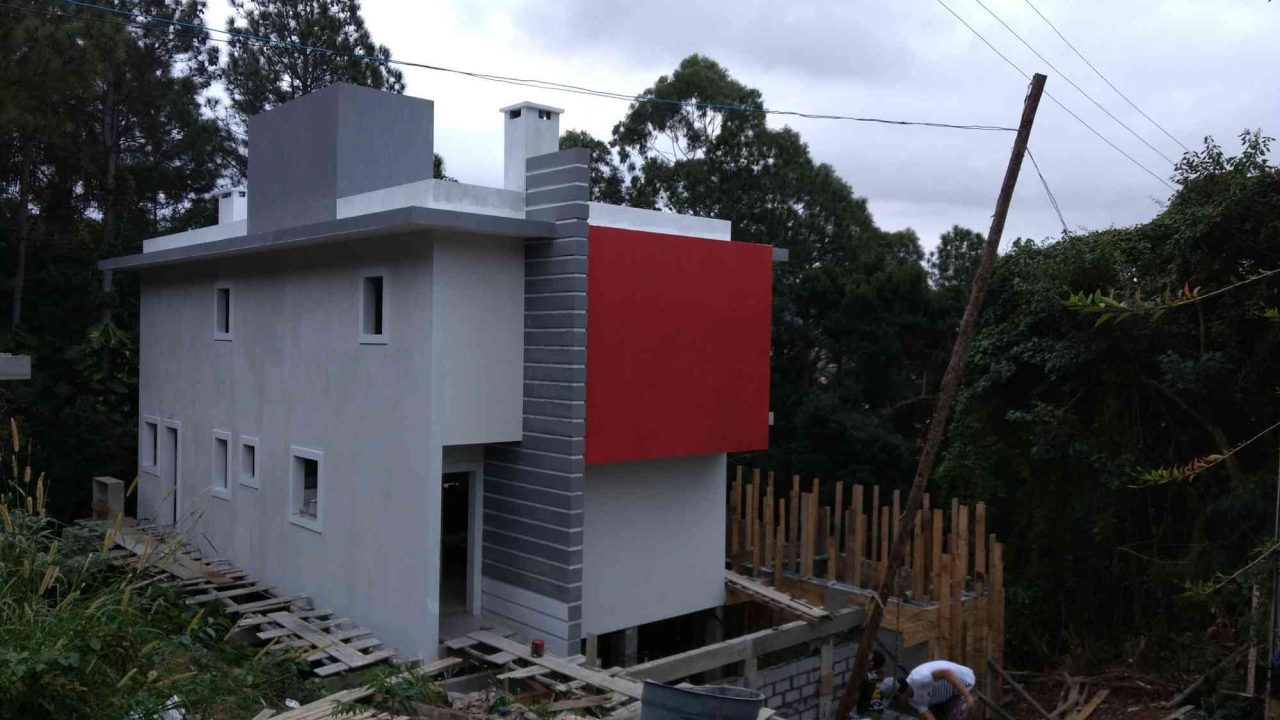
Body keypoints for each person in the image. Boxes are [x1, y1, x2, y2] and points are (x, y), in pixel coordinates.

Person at [879, 660, 977, 720]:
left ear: (899, 694)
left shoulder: (920, 679)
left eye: (895, 700)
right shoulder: (913, 701)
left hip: (965, 683)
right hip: (947, 697)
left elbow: (947, 673)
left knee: (956, 715)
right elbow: (928, 716)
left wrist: (967, 697)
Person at [856, 651, 888, 717]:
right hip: (877, 708)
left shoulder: (865, 677)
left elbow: (858, 693)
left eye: (870, 656)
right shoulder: (883, 675)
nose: (868, 656)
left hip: (865, 710)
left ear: (872, 662)